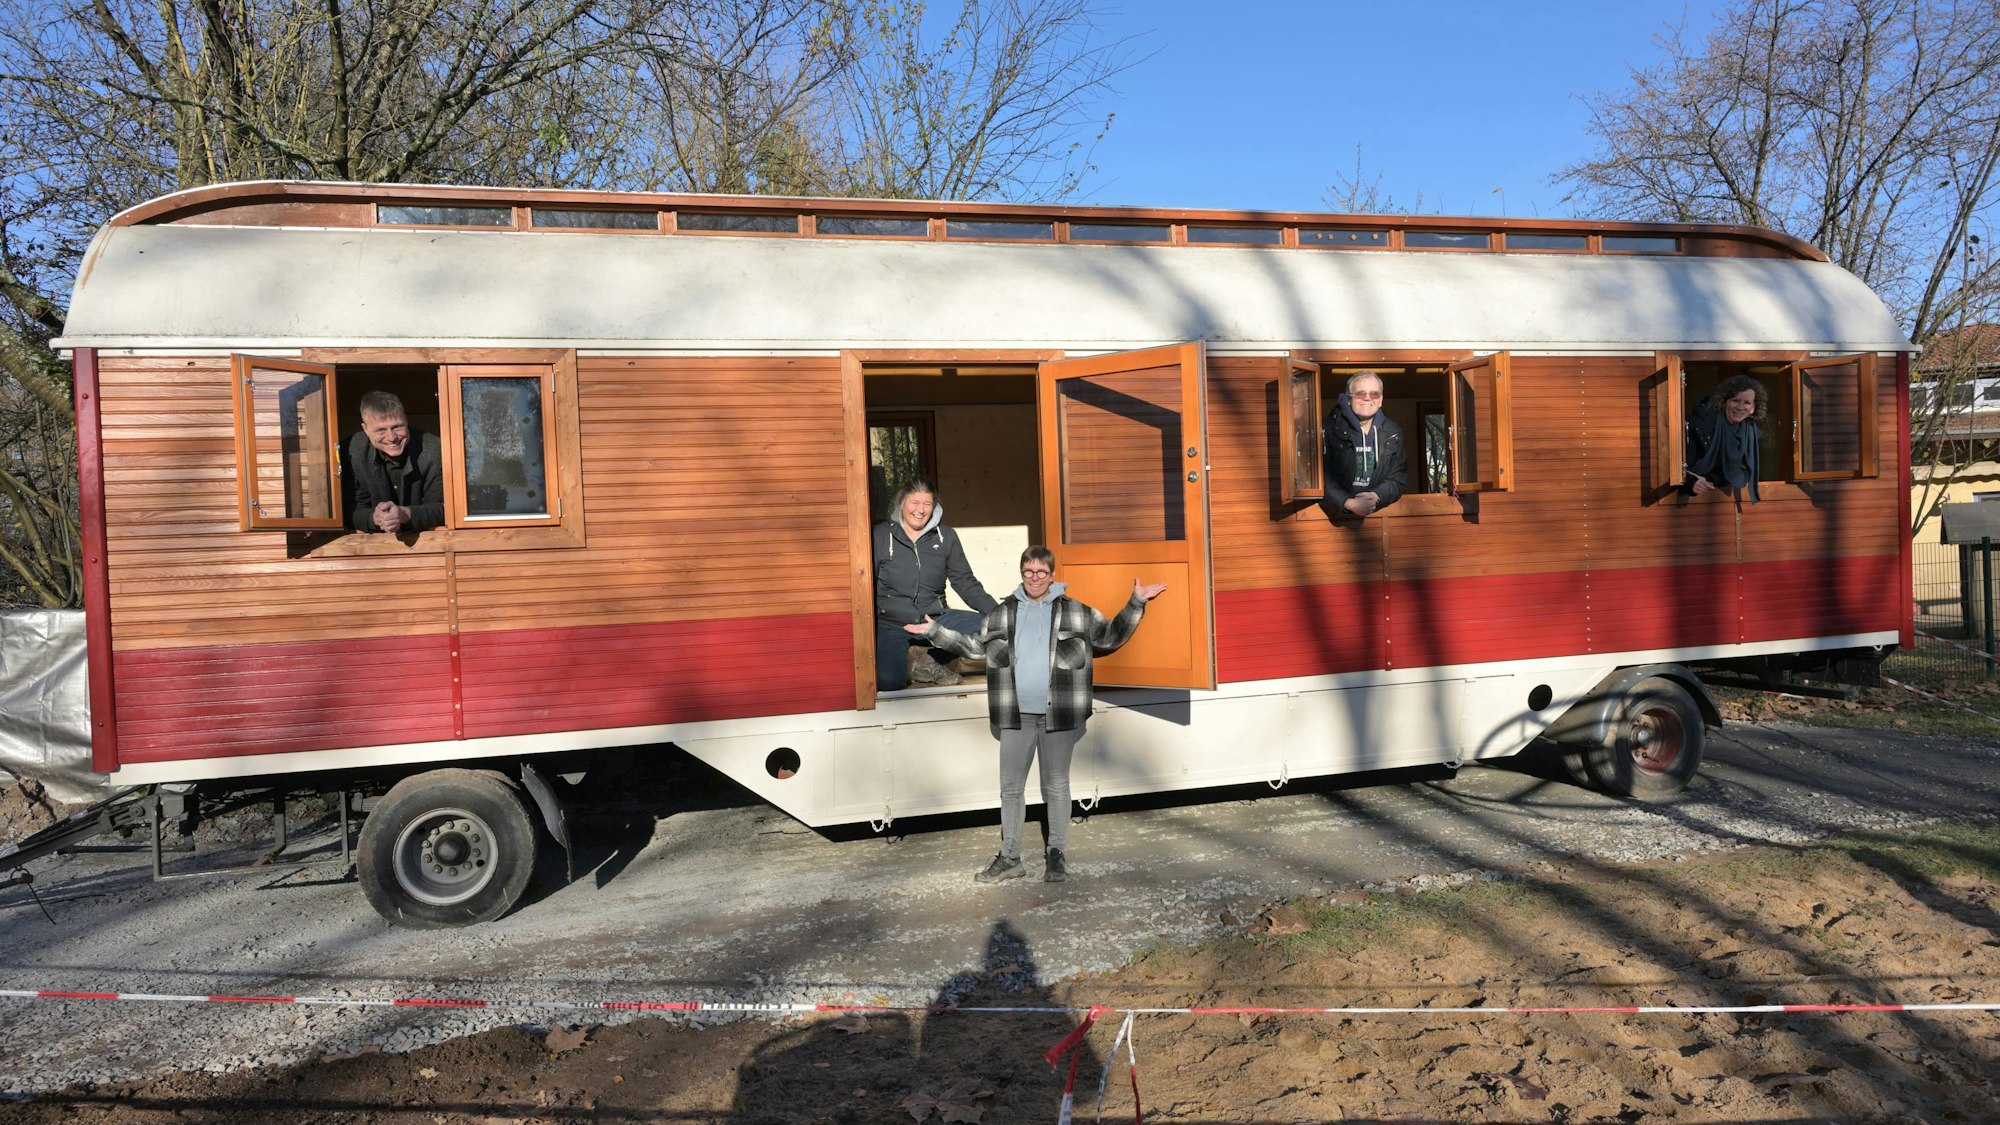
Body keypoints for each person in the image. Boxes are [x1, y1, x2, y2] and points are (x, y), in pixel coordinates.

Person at [910, 546, 1167, 884]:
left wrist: (1136, 602)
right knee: (1011, 788)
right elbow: (973, 646)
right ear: (1021, 574)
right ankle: (1010, 858)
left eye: (1041, 572)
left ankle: (1056, 855)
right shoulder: (1002, 614)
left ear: (1051, 575)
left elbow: (1109, 637)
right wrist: (933, 632)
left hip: (1059, 712)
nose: (1035, 578)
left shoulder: (1076, 612)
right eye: (1029, 572)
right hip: (1016, 713)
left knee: (1056, 784)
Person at [872, 479, 998, 689]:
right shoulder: (881, 535)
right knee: (889, 681)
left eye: (927, 504)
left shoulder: (946, 536)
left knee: (994, 628)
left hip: (935, 618)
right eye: (914, 502)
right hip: (891, 623)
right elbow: (865, 584)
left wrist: (1000, 613)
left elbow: (965, 581)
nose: (920, 510)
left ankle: (931, 659)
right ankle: (915, 663)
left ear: (935, 506)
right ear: (902, 502)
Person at [345, 391, 445, 534]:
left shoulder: (435, 450)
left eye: (397, 427)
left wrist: (404, 514)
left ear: (406, 420)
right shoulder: (351, 452)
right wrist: (375, 518)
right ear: (365, 429)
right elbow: (349, 509)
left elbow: (443, 508)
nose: (391, 438)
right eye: (381, 430)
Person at [1319, 371, 1407, 519]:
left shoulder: (1393, 432)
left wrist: (1378, 495)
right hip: (1330, 517)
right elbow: (1317, 477)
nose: (1367, 398)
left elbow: (1398, 477)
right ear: (1348, 399)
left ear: (1381, 400)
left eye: (1374, 394)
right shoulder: (1326, 429)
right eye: (1360, 393)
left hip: (1375, 518)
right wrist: (1346, 502)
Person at [1684, 375, 1766, 503]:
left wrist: (1709, 479)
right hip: (1684, 499)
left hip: (1714, 496)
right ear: (1724, 401)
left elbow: (1739, 471)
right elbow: (1675, 464)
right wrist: (1690, 482)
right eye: (1735, 400)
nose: (1740, 407)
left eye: (1747, 403)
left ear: (1753, 408)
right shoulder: (1701, 423)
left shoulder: (1751, 433)